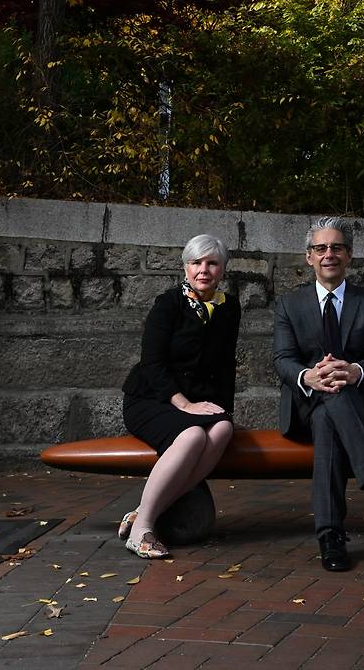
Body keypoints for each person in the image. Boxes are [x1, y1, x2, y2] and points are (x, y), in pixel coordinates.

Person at [273, 216, 364, 571]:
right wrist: (309, 376)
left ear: (349, 255)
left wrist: (354, 371)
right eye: (320, 248)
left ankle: (330, 536)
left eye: (336, 247)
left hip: (356, 405)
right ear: (309, 257)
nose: (329, 254)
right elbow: (282, 359)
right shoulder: (289, 305)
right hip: (305, 405)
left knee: (332, 409)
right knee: (326, 397)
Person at [120, 234, 240, 559]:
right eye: (196, 263)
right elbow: (152, 363)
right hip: (150, 398)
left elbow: (225, 365)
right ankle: (142, 529)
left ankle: (146, 508)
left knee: (223, 430)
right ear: (185, 268)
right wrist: (185, 404)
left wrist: (223, 411)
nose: (204, 270)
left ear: (222, 269)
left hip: (192, 403)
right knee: (190, 437)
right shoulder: (168, 304)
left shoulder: (228, 309)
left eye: (212, 263)